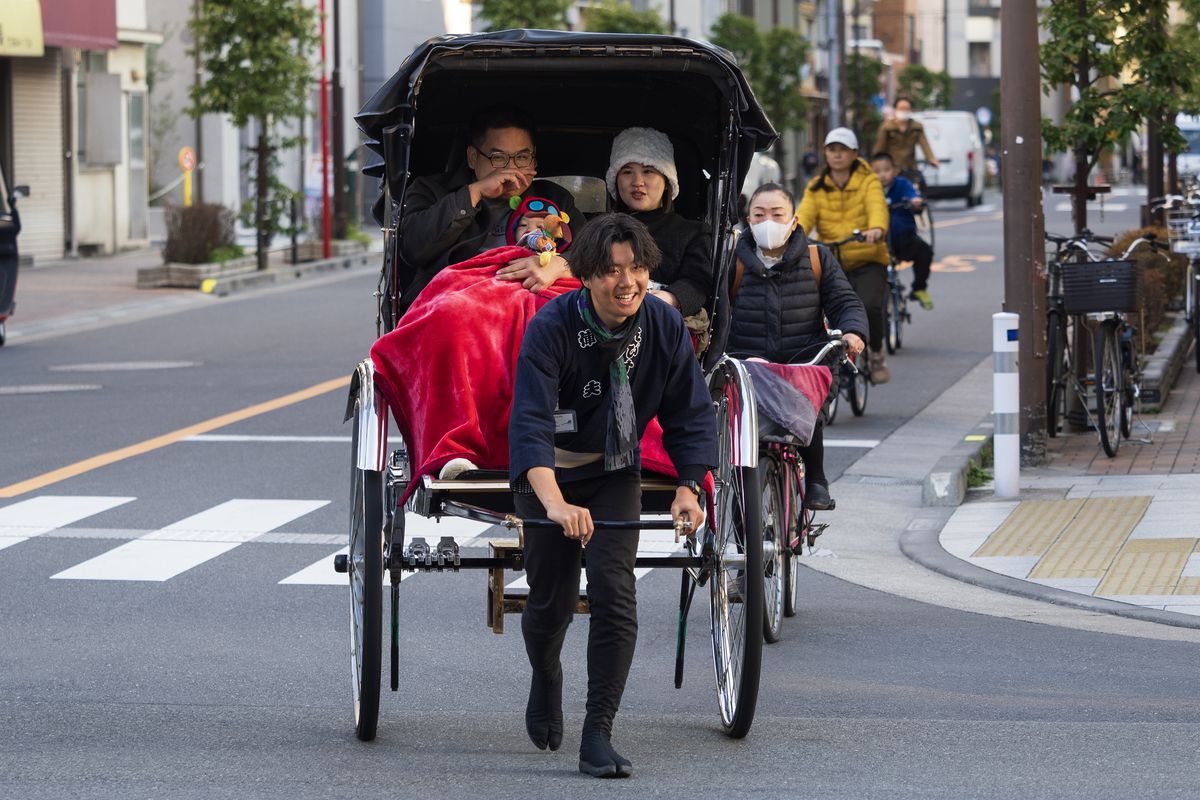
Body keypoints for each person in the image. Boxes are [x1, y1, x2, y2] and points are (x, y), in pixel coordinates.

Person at [508, 213, 716, 778]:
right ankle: (546, 671)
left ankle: (598, 731)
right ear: (584, 276)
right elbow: (530, 427)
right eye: (611, 271)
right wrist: (554, 504)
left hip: (614, 468)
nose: (627, 282)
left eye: (638, 268)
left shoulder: (662, 326)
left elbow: (689, 413)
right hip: (551, 474)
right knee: (550, 601)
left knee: (615, 594)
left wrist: (688, 487)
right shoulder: (551, 328)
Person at [729, 183, 868, 510]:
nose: (768, 222)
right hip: (749, 362)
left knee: (804, 405)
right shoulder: (731, 259)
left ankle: (816, 478)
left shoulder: (817, 257)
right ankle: (741, 504)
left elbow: (845, 301)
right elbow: (715, 308)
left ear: (793, 220)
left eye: (777, 214)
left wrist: (852, 332)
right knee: (740, 431)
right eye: (759, 214)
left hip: (803, 360)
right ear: (748, 220)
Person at [397, 106, 584, 316]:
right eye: (498, 158)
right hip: (455, 305)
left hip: (534, 305)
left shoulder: (554, 199)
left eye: (522, 158)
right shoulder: (431, 190)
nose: (511, 169)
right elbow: (413, 248)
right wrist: (473, 193)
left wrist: (559, 265)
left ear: (534, 159)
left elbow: (593, 251)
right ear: (472, 157)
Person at [795, 127, 892, 384]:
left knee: (869, 305)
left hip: (867, 256)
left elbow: (877, 207)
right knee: (815, 309)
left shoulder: (869, 180)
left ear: (855, 154)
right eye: (832, 150)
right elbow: (803, 217)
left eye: (843, 150)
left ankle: (877, 355)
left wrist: (876, 229)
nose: (837, 155)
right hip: (831, 260)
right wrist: (793, 233)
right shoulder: (817, 186)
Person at [606, 127, 713, 317]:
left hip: (660, 320)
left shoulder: (693, 233)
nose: (637, 181)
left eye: (648, 171)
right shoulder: (599, 227)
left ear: (666, 181)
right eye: (627, 172)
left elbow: (697, 282)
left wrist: (670, 298)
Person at [871, 151, 935, 310]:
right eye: (877, 171)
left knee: (925, 252)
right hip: (879, 241)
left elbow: (913, 196)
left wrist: (915, 202)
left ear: (895, 170)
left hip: (904, 238)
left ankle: (919, 288)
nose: (882, 175)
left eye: (886, 170)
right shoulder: (870, 188)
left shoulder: (903, 184)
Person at [873, 96, 940, 178]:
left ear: (911, 110)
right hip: (892, 170)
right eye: (901, 108)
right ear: (895, 110)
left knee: (914, 188)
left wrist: (931, 159)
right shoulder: (886, 127)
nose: (904, 111)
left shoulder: (917, 127)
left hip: (910, 168)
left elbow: (925, 144)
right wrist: (876, 165)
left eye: (906, 109)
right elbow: (879, 148)